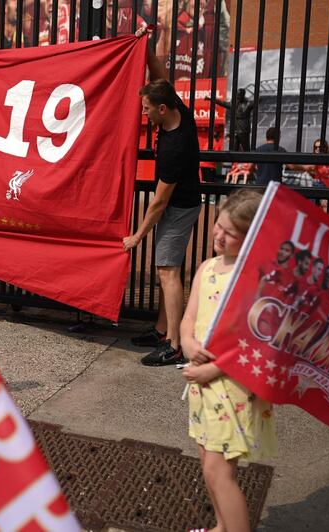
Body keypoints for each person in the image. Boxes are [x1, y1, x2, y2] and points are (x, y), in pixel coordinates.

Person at [180, 188, 275, 532]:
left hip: (231, 382)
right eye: (218, 226)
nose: (219, 235)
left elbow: (256, 341)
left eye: (230, 232)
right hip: (203, 380)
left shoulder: (255, 278)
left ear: (250, 236)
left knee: (219, 471)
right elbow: (189, 317)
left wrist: (211, 369)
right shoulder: (207, 267)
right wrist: (188, 342)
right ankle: (222, 526)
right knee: (208, 461)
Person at [125, 52, 201, 367]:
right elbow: (162, 77)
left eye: (146, 110)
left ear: (161, 109)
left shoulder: (174, 146)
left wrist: (137, 236)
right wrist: (146, 43)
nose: (144, 114)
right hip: (177, 204)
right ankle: (161, 330)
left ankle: (174, 344)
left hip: (179, 208)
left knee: (167, 271)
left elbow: (158, 202)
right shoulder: (178, 109)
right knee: (164, 270)